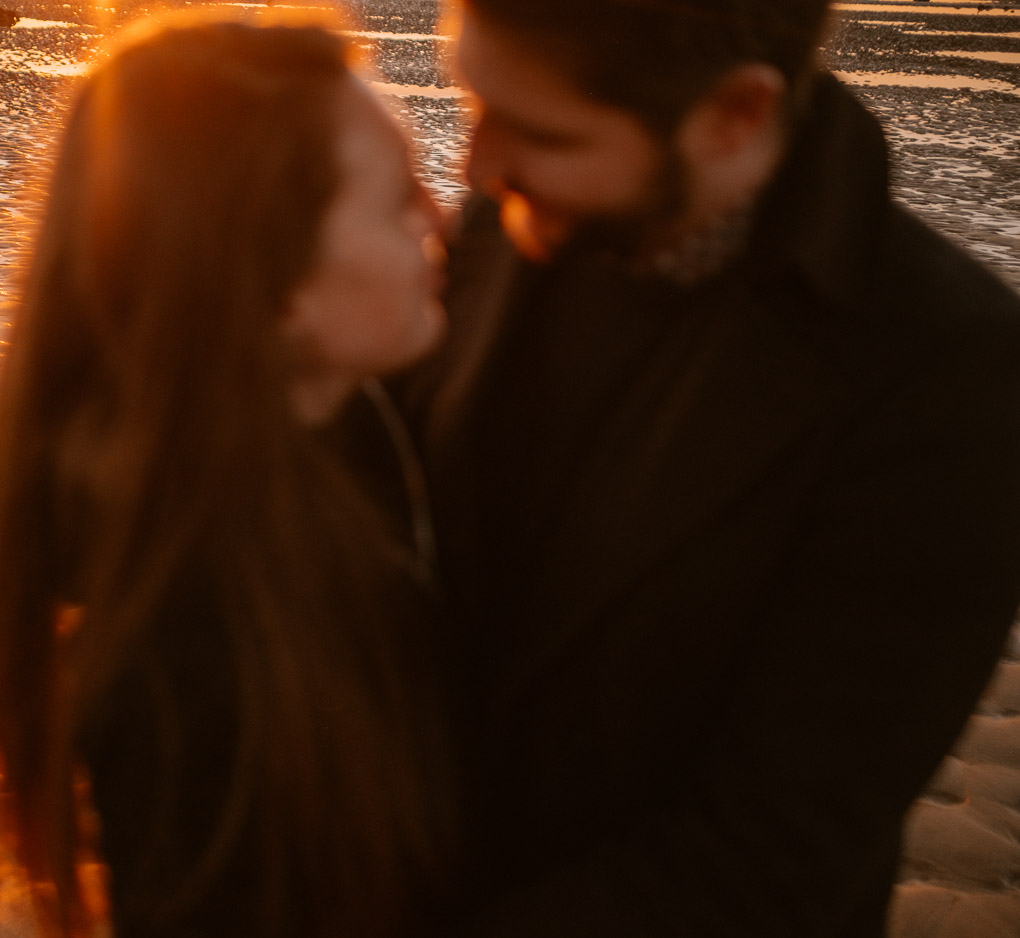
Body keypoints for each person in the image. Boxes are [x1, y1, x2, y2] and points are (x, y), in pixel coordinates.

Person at [405, 0, 1020, 934]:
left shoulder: (947, 368)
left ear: (736, 114)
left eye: (538, 130)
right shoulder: (532, 204)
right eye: (473, 101)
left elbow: (768, 857)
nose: (477, 165)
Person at [0, 13, 451, 938]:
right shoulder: (184, 679)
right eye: (400, 199)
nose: (442, 217)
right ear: (275, 282)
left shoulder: (331, 426)